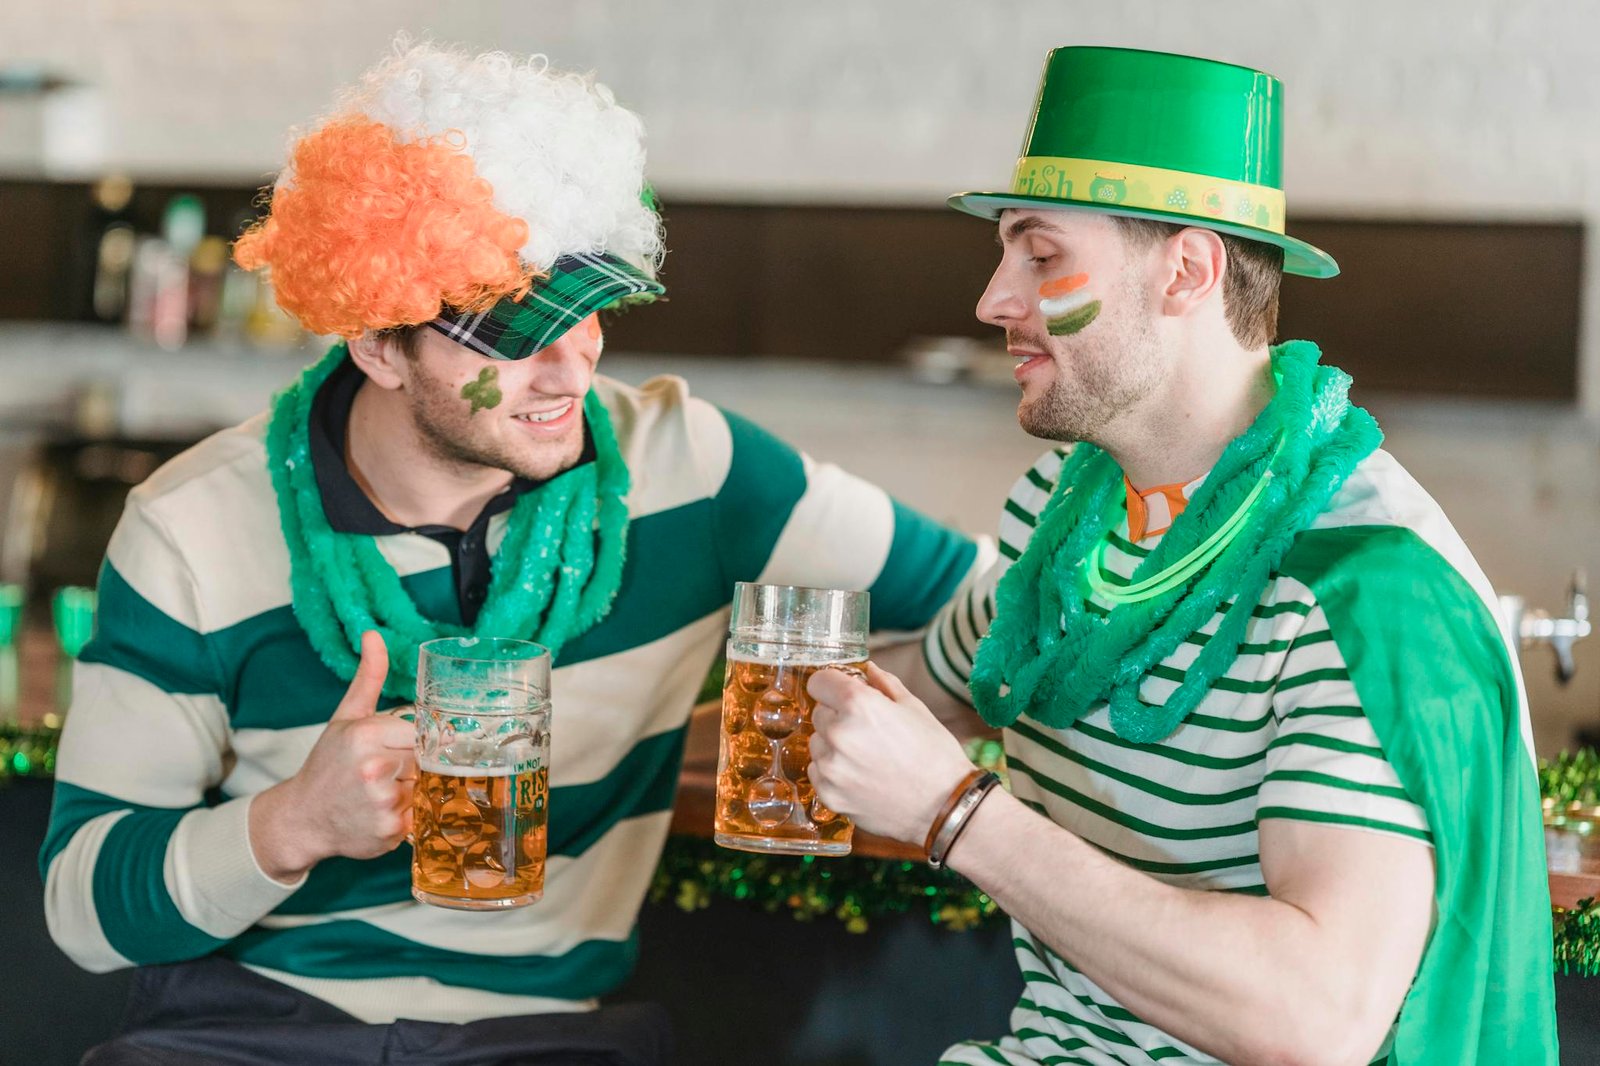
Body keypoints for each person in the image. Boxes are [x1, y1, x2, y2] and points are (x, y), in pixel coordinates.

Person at [39, 41, 984, 1065]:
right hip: (250, 1028)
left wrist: (806, 721)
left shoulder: (696, 470)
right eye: (519, 326)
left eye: (591, 313)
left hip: (546, 1039)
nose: (570, 366)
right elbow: (83, 907)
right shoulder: (192, 525)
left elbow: (992, 607)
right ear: (377, 342)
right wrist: (287, 823)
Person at [807, 47, 1558, 1066]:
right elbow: (909, 700)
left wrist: (953, 814)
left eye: (1038, 253)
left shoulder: (1354, 584)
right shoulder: (1065, 519)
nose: (992, 299)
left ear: (1187, 271)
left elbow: (1313, 1019)